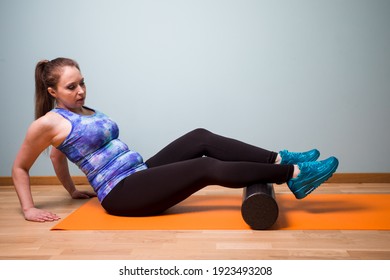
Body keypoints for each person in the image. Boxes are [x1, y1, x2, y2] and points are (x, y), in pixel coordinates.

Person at [12, 57, 339, 222]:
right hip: (121, 193)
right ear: (52, 91)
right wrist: (28, 208)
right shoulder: (46, 123)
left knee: (199, 137)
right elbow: (21, 168)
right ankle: (295, 176)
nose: (81, 90)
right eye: (72, 87)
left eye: (82, 82)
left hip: (137, 174)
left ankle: (280, 158)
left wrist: (71, 191)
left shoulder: (83, 110)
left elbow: (59, 155)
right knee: (204, 167)